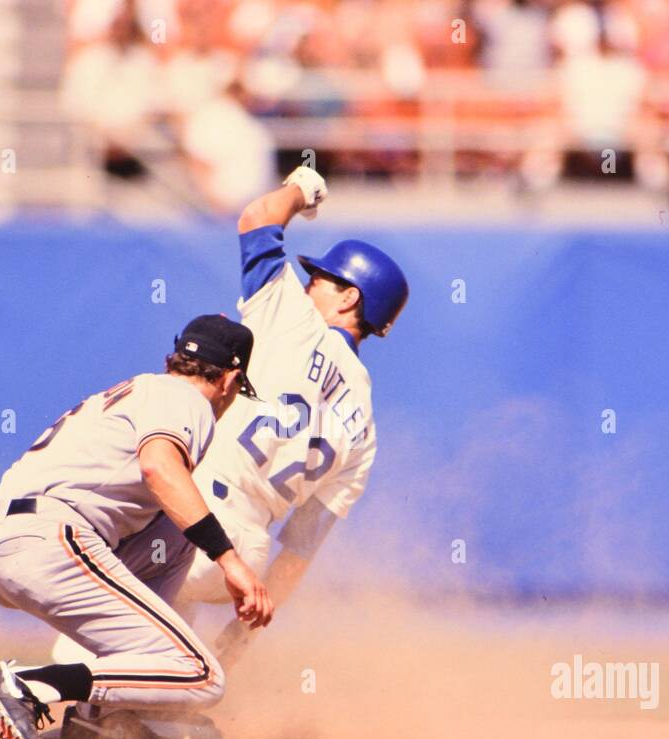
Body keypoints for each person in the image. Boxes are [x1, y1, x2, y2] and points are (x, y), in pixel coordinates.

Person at [52, 165, 408, 675]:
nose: (308, 284)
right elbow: (299, 553)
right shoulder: (366, 428)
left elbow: (257, 217)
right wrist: (235, 644)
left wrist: (303, 189)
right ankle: (142, 717)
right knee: (160, 647)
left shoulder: (293, 320)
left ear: (350, 297)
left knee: (85, 621)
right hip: (244, 555)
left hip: (188, 520)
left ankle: (46, 692)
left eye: (321, 279)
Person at [0, 315, 273, 739]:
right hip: (48, 540)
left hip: (4, 540)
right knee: (202, 675)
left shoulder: (142, 390)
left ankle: (100, 718)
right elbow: (160, 469)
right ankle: (29, 685)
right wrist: (230, 560)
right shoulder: (186, 400)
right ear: (231, 379)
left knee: (177, 528)